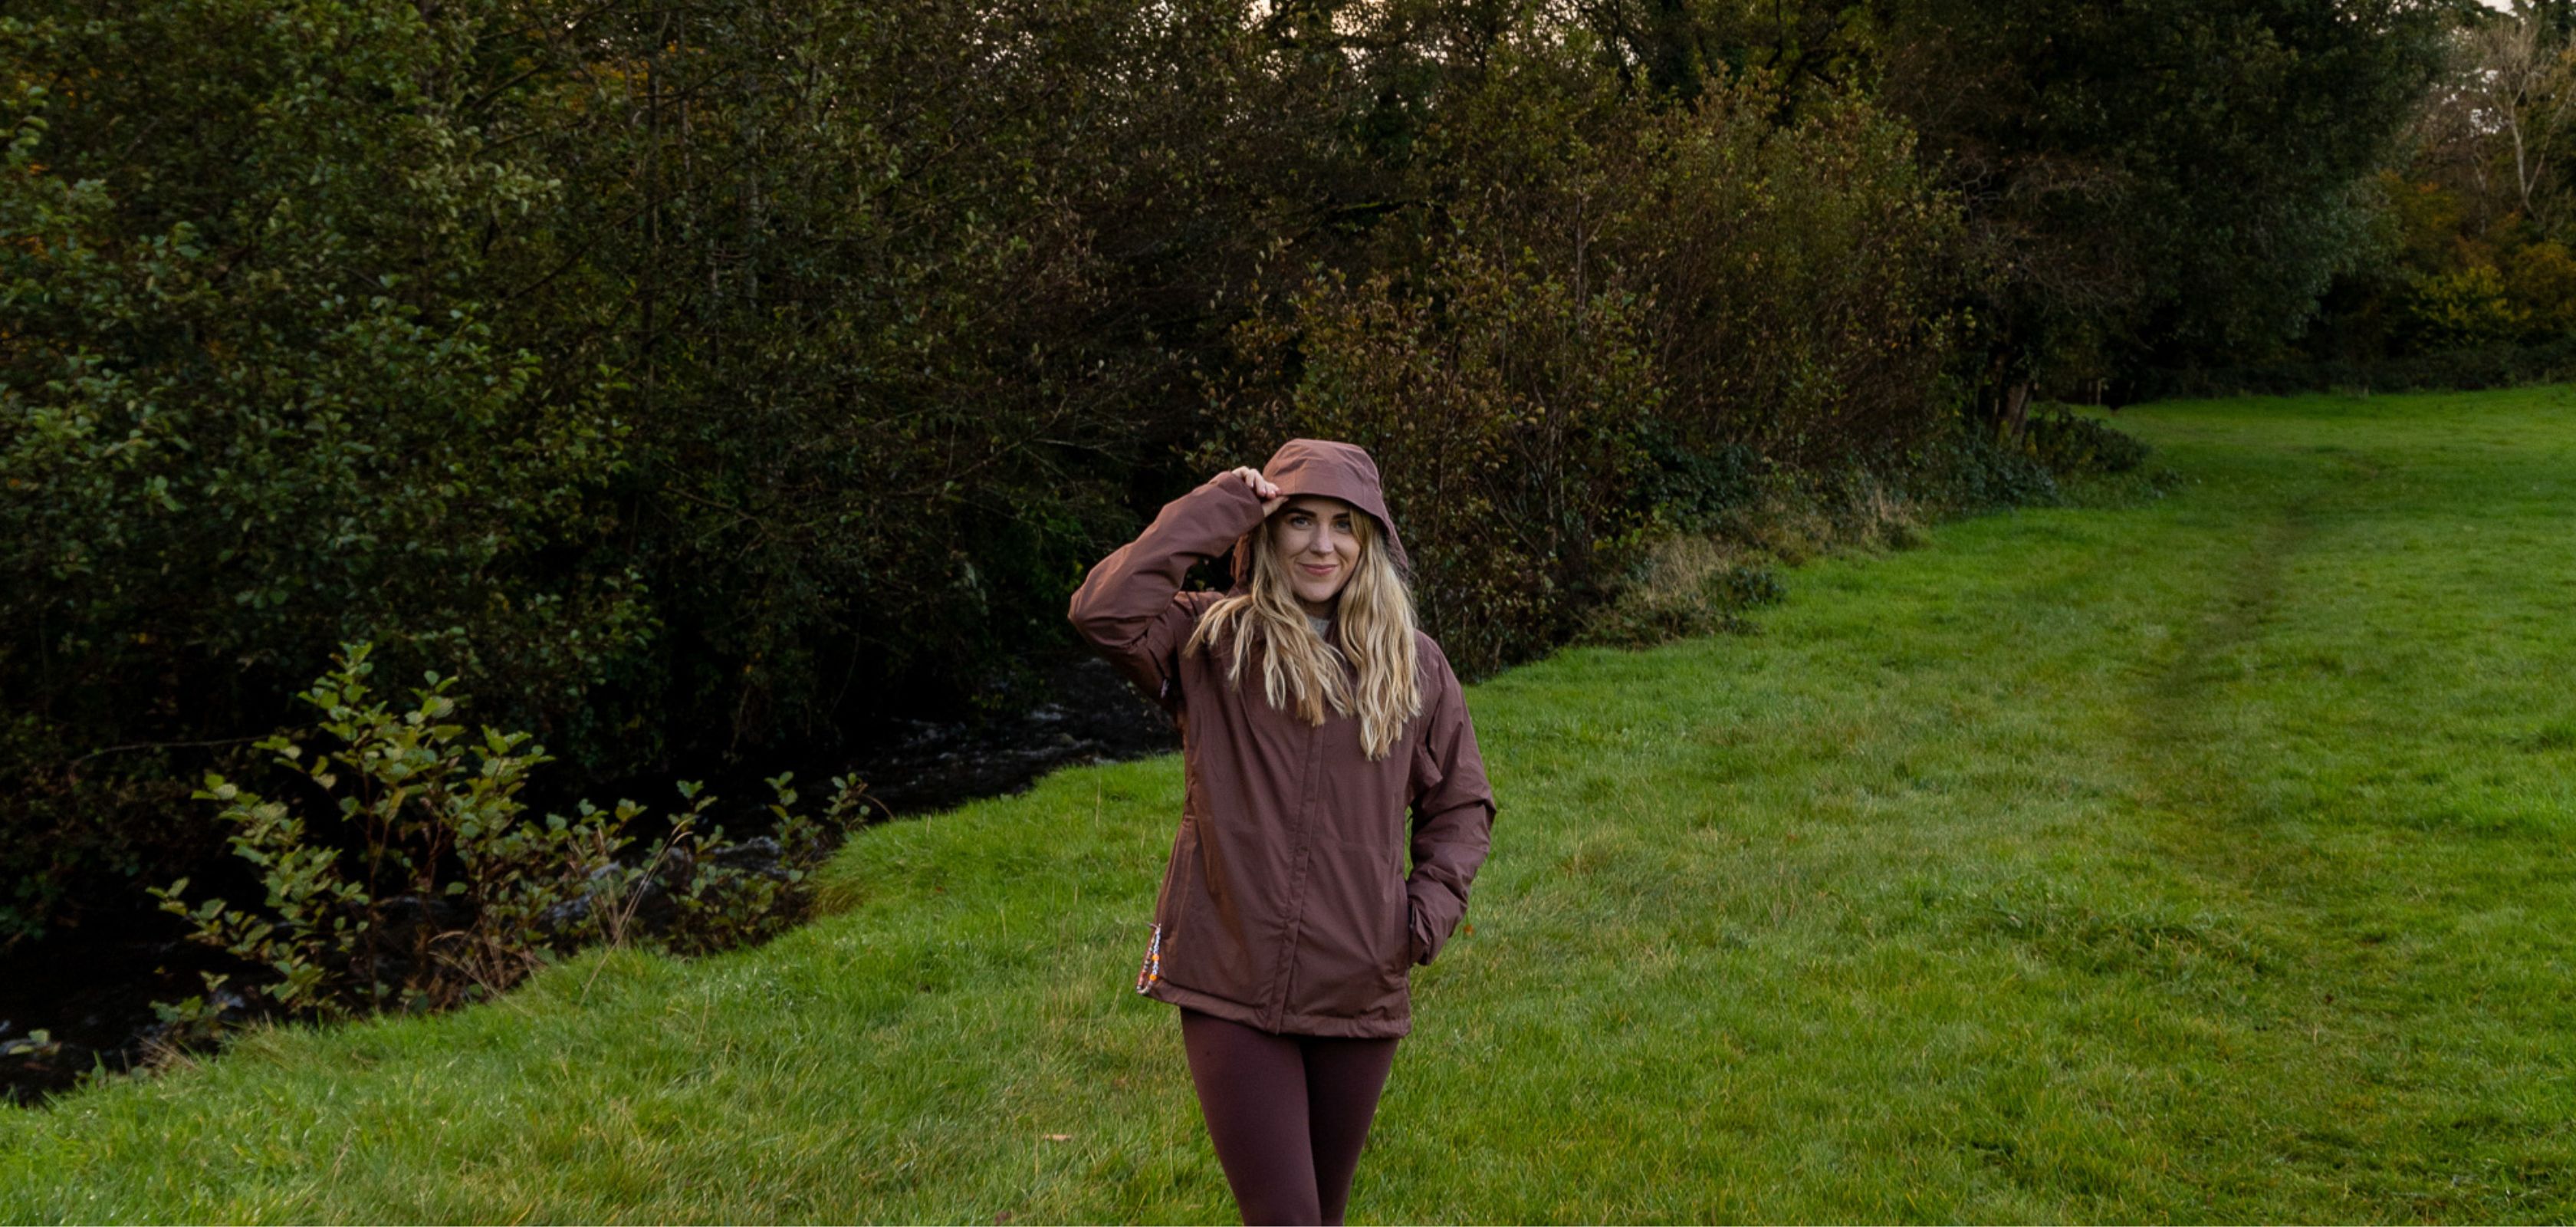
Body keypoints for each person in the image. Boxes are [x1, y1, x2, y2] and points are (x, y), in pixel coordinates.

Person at [1066, 438, 1499, 1226]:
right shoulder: (1210, 641)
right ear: (1268, 529)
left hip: (1359, 983)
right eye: (1299, 519)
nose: (1322, 544)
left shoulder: (1416, 665)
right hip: (1230, 974)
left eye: (1344, 523)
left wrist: (1421, 920)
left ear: (1371, 537)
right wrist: (1221, 504)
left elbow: (1462, 807)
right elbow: (1102, 609)